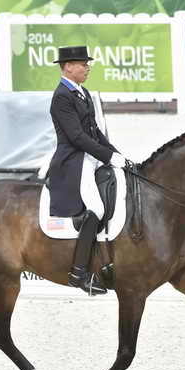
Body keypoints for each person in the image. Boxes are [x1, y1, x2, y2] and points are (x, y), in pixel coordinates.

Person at [47, 45, 126, 296]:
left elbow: (95, 132)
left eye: (87, 63)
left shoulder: (83, 92)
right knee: (97, 208)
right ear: (68, 67)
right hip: (74, 160)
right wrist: (108, 156)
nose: (87, 67)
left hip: (91, 157)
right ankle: (78, 273)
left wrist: (117, 153)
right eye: (82, 64)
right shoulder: (62, 96)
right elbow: (77, 137)